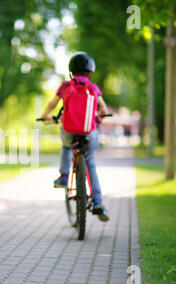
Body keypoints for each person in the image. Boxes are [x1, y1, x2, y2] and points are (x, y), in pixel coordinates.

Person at [40, 52, 110, 222]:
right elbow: (104, 109)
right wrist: (100, 116)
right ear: (90, 73)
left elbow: (52, 103)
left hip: (69, 130)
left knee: (66, 146)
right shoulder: (92, 88)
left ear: (71, 72)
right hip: (88, 132)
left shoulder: (65, 86)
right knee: (90, 162)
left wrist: (45, 115)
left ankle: (64, 176)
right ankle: (98, 201)